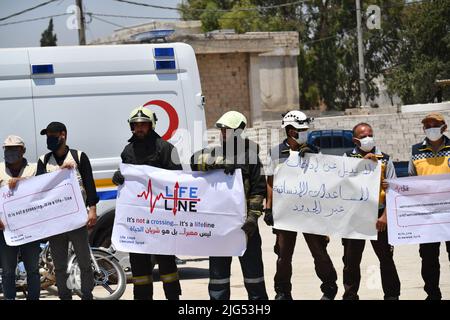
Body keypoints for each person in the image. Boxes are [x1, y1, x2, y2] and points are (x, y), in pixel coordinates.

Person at [191, 110, 268, 300]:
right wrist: (219, 162)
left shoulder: (251, 157)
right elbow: (193, 161)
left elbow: (259, 190)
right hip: (219, 226)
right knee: (218, 279)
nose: (224, 133)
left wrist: (252, 218)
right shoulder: (215, 152)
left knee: (254, 277)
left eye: (228, 130)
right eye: (222, 130)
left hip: (246, 227)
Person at [264, 110, 338, 300]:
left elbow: (325, 180)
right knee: (283, 255)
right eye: (301, 129)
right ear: (290, 131)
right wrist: (268, 208)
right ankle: (282, 291)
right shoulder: (275, 153)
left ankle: (329, 288)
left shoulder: (315, 150)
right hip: (285, 212)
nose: (305, 132)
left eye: (305, 128)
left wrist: (313, 158)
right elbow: (270, 182)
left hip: (310, 212)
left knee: (319, 252)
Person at [112, 106, 182, 300]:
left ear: (151, 125)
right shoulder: (128, 151)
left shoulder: (167, 148)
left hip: (162, 219)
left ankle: (173, 297)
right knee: (139, 267)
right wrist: (119, 176)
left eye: (143, 125)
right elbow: (127, 180)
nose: (140, 128)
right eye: (136, 125)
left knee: (167, 265)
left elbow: (179, 180)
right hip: (139, 221)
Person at [36, 122, 98, 300]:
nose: (49, 139)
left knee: (85, 262)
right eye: (47, 136)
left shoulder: (79, 156)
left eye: (52, 135)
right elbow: (39, 188)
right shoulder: (44, 160)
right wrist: (57, 173)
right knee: (60, 266)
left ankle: (87, 294)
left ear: (63, 135)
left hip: (77, 219)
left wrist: (92, 210)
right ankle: (65, 296)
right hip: (56, 222)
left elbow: (90, 185)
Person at [341, 122, 401, 300]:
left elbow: (394, 190)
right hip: (355, 218)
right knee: (351, 261)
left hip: (378, 217)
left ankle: (392, 295)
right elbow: (340, 186)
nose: (368, 138)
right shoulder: (346, 158)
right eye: (364, 136)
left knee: (386, 259)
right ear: (355, 140)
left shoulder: (385, 158)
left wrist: (385, 216)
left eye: (370, 134)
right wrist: (361, 164)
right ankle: (350, 296)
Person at [409, 112, 450, 300]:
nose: (431, 127)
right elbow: (411, 181)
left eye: (435, 124)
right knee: (428, 259)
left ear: (444, 127)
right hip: (427, 217)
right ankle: (433, 294)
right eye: (427, 125)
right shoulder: (416, 151)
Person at [0, 135, 40, 300]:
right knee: (8, 270)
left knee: (32, 270)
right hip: (6, 229)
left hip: (30, 228)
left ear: (23, 150)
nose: (10, 152)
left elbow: (45, 188)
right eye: (7, 149)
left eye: (14, 149)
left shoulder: (35, 169)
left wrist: (23, 182)